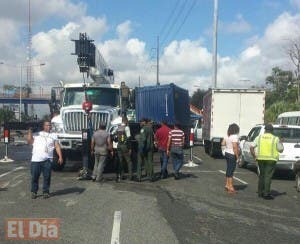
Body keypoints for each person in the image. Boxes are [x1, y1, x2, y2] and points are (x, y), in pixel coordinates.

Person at [27, 120, 63, 199]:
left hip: (47, 160)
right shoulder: (36, 134)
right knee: (34, 177)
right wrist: (29, 131)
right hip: (36, 160)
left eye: (50, 125)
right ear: (43, 126)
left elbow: (57, 146)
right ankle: (34, 192)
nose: (49, 127)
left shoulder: (53, 135)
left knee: (47, 177)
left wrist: (60, 157)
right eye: (47, 125)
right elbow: (29, 141)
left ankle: (46, 192)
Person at [250, 124, 284, 200]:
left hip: (260, 159)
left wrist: (254, 156)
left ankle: (260, 192)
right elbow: (280, 150)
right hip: (271, 160)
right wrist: (281, 142)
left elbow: (251, 147)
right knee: (268, 176)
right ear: (272, 131)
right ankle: (266, 193)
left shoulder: (259, 138)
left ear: (265, 130)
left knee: (262, 175)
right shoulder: (275, 138)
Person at [221, 123, 240, 194]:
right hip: (232, 154)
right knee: (231, 171)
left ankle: (227, 185)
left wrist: (223, 150)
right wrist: (238, 157)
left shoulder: (228, 136)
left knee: (228, 169)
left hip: (227, 153)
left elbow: (223, 143)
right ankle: (231, 187)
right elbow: (235, 147)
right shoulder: (235, 137)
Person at [116, 116, 133, 181]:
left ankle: (121, 175)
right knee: (129, 161)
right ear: (126, 121)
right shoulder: (127, 128)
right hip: (124, 146)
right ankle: (130, 176)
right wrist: (130, 148)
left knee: (121, 161)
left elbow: (115, 137)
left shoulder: (119, 127)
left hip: (119, 146)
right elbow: (129, 138)